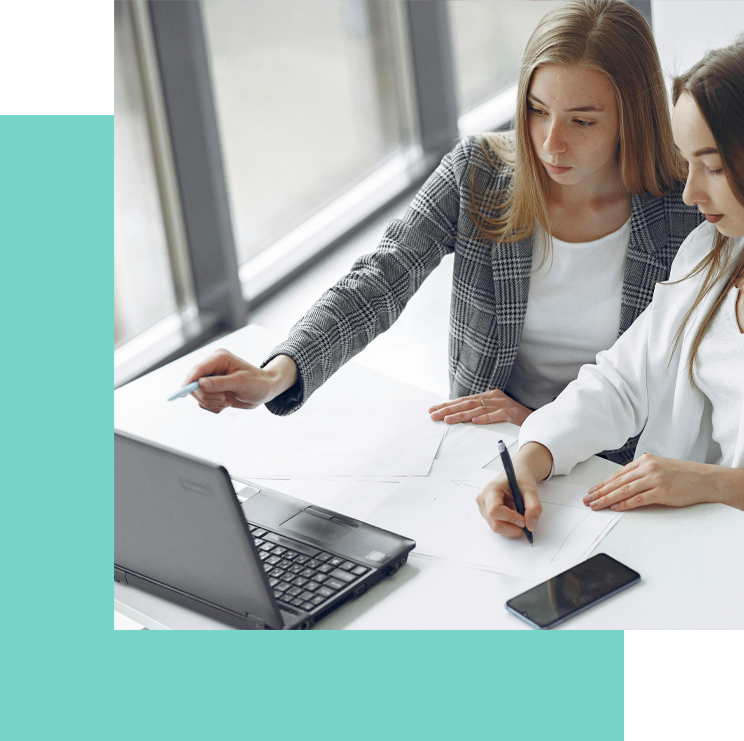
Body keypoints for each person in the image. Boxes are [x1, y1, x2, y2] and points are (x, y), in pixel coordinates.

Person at [185, 0, 701, 465]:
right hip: (484, 452)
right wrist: (277, 372)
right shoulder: (478, 172)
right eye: (537, 111)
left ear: (633, 115)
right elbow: (379, 280)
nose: (550, 145)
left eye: (581, 122)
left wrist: (538, 428)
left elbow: (680, 392)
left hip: (615, 467)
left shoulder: (688, 209)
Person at [476, 39, 744, 541]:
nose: (689, 193)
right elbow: (623, 380)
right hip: (696, 541)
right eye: (687, 164)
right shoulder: (712, 250)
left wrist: (718, 484)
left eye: (711, 167)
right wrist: (529, 462)